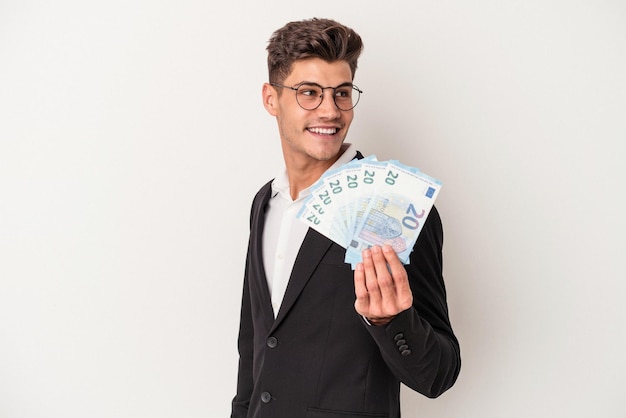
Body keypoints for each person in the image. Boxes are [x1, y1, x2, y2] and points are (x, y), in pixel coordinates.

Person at [231, 17, 460, 418]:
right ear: (271, 99)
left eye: (341, 93)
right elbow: (254, 346)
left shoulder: (395, 208)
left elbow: (439, 373)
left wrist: (392, 322)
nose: (330, 111)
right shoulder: (264, 203)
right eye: (309, 93)